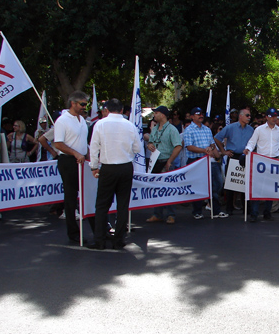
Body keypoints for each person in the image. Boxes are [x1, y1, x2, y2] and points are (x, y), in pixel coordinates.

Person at [88, 99, 140, 250]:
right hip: (125, 167)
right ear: (122, 110)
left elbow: (94, 147)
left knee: (102, 204)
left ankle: (100, 240)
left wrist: (93, 166)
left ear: (107, 109)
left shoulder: (100, 124)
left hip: (108, 167)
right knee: (123, 205)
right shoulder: (130, 125)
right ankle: (118, 240)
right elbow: (137, 148)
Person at [54, 91, 94, 243]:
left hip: (82, 159)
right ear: (73, 103)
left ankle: (96, 228)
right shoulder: (62, 121)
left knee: (87, 194)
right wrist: (76, 153)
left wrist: (89, 154)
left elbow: (83, 141)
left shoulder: (82, 120)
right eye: (82, 104)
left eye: (85, 104)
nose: (85, 107)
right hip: (68, 161)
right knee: (70, 197)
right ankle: (73, 232)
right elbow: (58, 143)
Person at [244, 108, 279, 222]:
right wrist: (248, 149)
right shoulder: (259, 130)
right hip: (260, 160)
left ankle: (267, 212)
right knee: (257, 187)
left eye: (276, 117)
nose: (274, 119)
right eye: (272, 116)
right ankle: (254, 214)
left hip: (273, 160)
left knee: (270, 188)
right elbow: (252, 142)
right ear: (267, 117)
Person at [183, 107, 226, 219]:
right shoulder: (189, 130)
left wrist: (217, 156)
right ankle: (197, 211)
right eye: (198, 114)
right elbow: (189, 146)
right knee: (197, 186)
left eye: (201, 114)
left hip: (210, 161)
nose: (200, 115)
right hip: (196, 160)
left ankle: (216, 210)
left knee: (216, 184)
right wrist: (204, 150)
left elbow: (212, 144)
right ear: (192, 117)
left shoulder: (207, 129)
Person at [145, 106, 183, 224]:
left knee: (168, 189)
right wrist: (149, 145)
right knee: (156, 189)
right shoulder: (155, 128)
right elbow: (151, 141)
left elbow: (178, 146)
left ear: (162, 115)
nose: (154, 115)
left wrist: (170, 161)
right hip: (155, 162)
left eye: (156, 113)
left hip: (166, 161)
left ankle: (171, 214)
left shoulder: (172, 129)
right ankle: (157, 214)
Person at [214, 107, 254, 216]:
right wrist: (223, 151)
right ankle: (229, 208)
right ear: (240, 116)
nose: (249, 117)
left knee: (244, 183)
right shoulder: (230, 127)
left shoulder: (251, 129)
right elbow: (217, 138)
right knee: (231, 183)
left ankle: (246, 208)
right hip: (233, 156)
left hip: (245, 156)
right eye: (247, 115)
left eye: (250, 115)